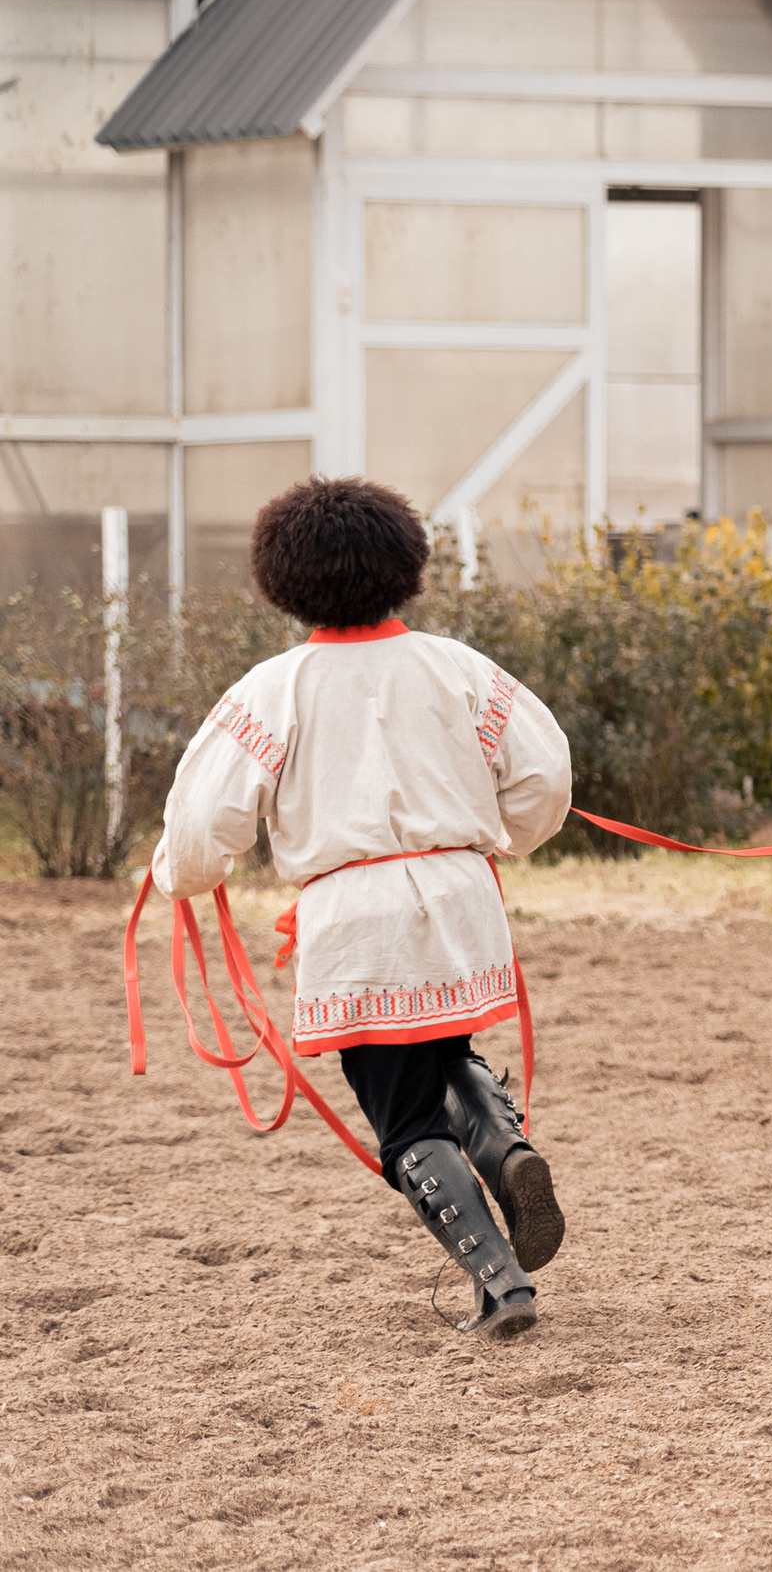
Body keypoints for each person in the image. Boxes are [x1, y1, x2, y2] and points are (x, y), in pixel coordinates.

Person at [152, 478, 573, 1339]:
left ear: (283, 579)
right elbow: (545, 775)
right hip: (459, 905)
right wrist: (508, 835)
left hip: (354, 921)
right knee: (442, 1046)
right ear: (405, 564)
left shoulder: (275, 689)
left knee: (402, 1115)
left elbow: (204, 822)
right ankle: (503, 1148)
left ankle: (502, 1284)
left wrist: (177, 875)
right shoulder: (458, 667)